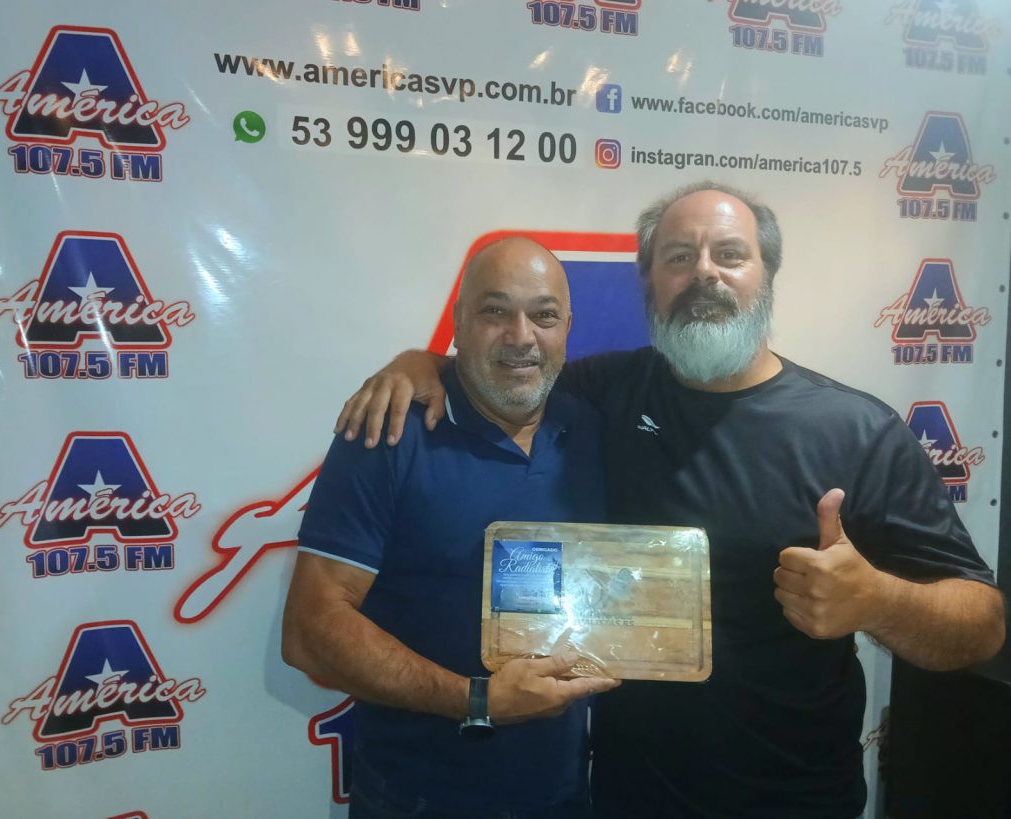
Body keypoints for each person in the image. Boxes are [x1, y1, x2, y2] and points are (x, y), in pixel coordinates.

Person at [333, 182, 1006, 819]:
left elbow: (982, 624)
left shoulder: (856, 431)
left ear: (767, 274)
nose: (704, 272)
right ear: (650, 282)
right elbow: (504, 363)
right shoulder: (605, 391)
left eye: (730, 254)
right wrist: (418, 364)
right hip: (623, 797)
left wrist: (878, 602)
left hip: (795, 801)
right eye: (679, 257)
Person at [282, 236, 618, 819]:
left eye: (543, 315)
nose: (521, 336)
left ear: (567, 327)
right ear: (459, 323)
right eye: (495, 311)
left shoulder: (594, 429)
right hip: (418, 799)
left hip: (564, 794)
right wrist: (476, 700)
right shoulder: (388, 432)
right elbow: (310, 629)